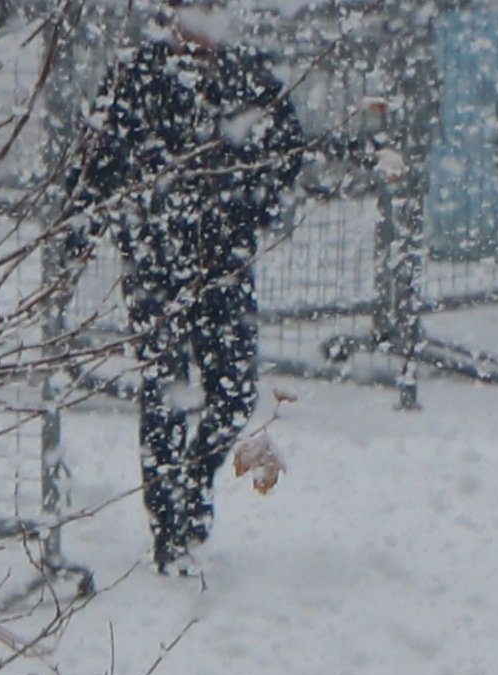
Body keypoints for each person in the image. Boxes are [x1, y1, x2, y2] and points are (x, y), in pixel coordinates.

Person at [78, 3, 315, 574]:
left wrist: (248, 211)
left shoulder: (248, 74)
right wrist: (90, 230)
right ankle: (168, 531)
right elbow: (100, 160)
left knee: (232, 391)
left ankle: (194, 479)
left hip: (224, 264)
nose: (201, 25)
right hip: (155, 264)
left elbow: (287, 149)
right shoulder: (137, 74)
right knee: (162, 394)